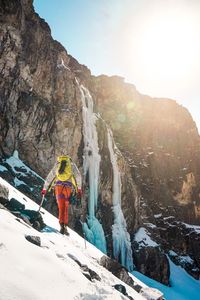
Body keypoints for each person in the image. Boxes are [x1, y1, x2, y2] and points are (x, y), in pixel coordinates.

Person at [41, 155, 82, 235]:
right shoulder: (72, 165)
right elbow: (78, 176)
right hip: (68, 187)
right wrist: (79, 189)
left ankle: (61, 226)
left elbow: (50, 176)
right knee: (66, 206)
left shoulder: (57, 164)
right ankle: (65, 227)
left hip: (58, 187)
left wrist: (44, 188)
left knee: (61, 207)